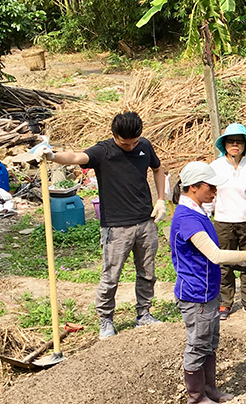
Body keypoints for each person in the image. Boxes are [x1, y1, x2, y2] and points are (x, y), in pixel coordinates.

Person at [40, 112, 167, 340]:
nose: (130, 147)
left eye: (134, 142)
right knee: (111, 275)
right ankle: (106, 319)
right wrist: (53, 156)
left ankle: (144, 313)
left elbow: (158, 169)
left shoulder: (145, 147)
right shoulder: (103, 151)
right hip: (116, 227)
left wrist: (161, 199)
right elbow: (76, 157)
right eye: (124, 143)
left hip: (145, 221)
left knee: (147, 272)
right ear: (114, 135)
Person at [170, 161, 246, 404]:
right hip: (195, 293)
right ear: (193, 188)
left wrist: (240, 263)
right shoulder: (187, 218)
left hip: (208, 290)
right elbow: (216, 255)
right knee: (198, 344)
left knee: (209, 342)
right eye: (210, 187)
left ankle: (210, 389)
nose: (215, 191)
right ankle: (196, 397)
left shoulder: (198, 211)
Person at [209, 123, 246, 320]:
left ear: (245, 144)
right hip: (223, 222)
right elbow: (210, 196)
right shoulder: (215, 167)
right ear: (224, 144)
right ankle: (224, 303)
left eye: (239, 141)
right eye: (231, 141)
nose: (235, 144)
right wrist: (205, 219)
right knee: (223, 263)